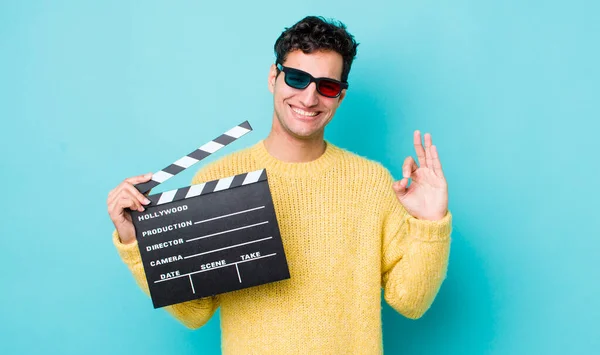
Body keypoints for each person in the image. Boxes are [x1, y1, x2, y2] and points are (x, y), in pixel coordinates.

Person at [107, 15, 452, 354]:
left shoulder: (372, 182)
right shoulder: (217, 180)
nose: (309, 98)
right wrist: (136, 242)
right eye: (298, 78)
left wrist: (431, 224)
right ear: (274, 76)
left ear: (340, 96)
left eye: (327, 86)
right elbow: (194, 312)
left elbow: (410, 302)